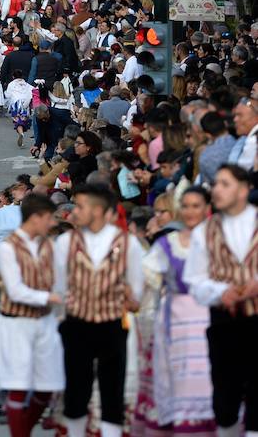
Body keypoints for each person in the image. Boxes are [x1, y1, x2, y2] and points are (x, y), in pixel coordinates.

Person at [54, 184, 145, 437]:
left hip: (112, 322)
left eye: (80, 206)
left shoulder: (128, 245)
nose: (74, 212)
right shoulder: (65, 242)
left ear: (98, 210)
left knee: (112, 388)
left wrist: (129, 297)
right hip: (76, 322)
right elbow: (59, 287)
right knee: (75, 388)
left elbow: (136, 292)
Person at [183, 164, 258, 437]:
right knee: (225, 392)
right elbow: (195, 280)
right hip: (224, 321)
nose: (216, 189)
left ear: (244, 188)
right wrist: (219, 292)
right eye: (216, 184)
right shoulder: (205, 231)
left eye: (225, 184)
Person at [135, 187, 215, 436]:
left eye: (196, 206)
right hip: (175, 325)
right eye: (187, 206)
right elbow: (145, 280)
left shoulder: (218, 241)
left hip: (211, 321)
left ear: (206, 209)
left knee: (209, 384)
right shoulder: (167, 244)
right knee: (178, 384)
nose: (191, 211)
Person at [0, 194, 65, 437]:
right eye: (48, 218)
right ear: (35, 218)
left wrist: (60, 301)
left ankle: (24, 428)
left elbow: (60, 281)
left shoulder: (49, 245)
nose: (52, 223)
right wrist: (49, 298)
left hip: (45, 322)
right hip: (16, 324)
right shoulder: (7, 247)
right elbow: (15, 290)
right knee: (18, 385)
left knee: (48, 386)